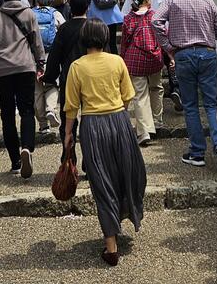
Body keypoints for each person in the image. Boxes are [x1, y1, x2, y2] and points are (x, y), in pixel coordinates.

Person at [64, 19, 147, 267]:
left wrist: (68, 134)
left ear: (84, 39)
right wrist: (119, 115)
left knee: (102, 181)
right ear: (104, 37)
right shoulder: (117, 61)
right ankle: (125, 213)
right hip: (119, 121)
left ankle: (110, 246)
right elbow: (128, 96)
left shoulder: (77, 67)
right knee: (128, 173)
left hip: (92, 126)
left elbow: (71, 107)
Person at [152, 0, 217, 172]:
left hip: (184, 55)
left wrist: (168, 47)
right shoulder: (208, 2)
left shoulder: (172, 0)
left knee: (190, 106)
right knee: (212, 104)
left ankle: (197, 153)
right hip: (207, 53)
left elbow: (155, 21)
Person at [0, 0, 46, 178]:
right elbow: (36, 41)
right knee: (27, 111)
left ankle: (16, 161)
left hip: (4, 71)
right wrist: (41, 63)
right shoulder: (28, 14)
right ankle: (27, 147)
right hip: (25, 67)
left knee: (7, 115)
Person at [126, 0, 180, 112]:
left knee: (148, 71)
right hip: (165, 29)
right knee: (171, 60)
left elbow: (127, 14)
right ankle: (176, 88)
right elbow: (174, 4)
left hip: (145, 34)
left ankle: (150, 105)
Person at [43, 0, 90, 155]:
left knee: (67, 119)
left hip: (68, 77)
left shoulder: (64, 29)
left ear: (71, 8)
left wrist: (49, 76)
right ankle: (89, 160)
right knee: (89, 118)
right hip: (90, 78)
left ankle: (69, 158)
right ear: (88, 7)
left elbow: (55, 56)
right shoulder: (94, 26)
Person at [120, 0, 165, 145]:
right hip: (154, 58)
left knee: (139, 95)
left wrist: (123, 58)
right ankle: (157, 121)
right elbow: (162, 36)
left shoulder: (128, 19)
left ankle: (144, 130)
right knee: (156, 88)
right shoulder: (154, 15)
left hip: (135, 59)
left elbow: (124, 42)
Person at [31, 0, 65, 132]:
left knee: (37, 90)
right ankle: (50, 109)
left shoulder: (30, 13)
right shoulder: (55, 14)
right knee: (52, 85)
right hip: (51, 55)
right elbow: (64, 31)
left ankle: (43, 125)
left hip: (33, 56)